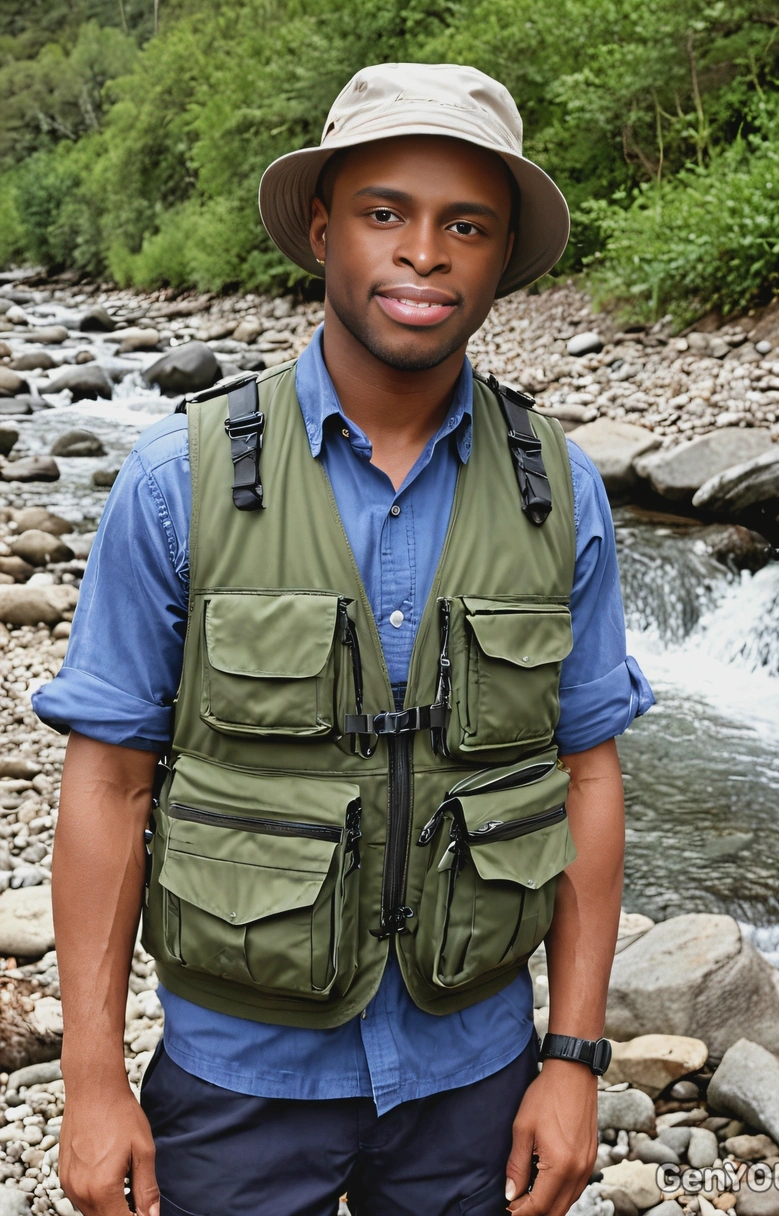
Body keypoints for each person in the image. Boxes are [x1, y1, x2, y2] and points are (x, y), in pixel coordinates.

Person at [34, 62, 653, 1216]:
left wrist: (569, 1062)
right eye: (384, 213)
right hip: (236, 1078)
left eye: (465, 225)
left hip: (475, 1072)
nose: (423, 252)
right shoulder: (179, 480)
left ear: (501, 257)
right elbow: (110, 782)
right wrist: (92, 1078)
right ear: (323, 231)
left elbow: (584, 774)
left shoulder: (557, 490)